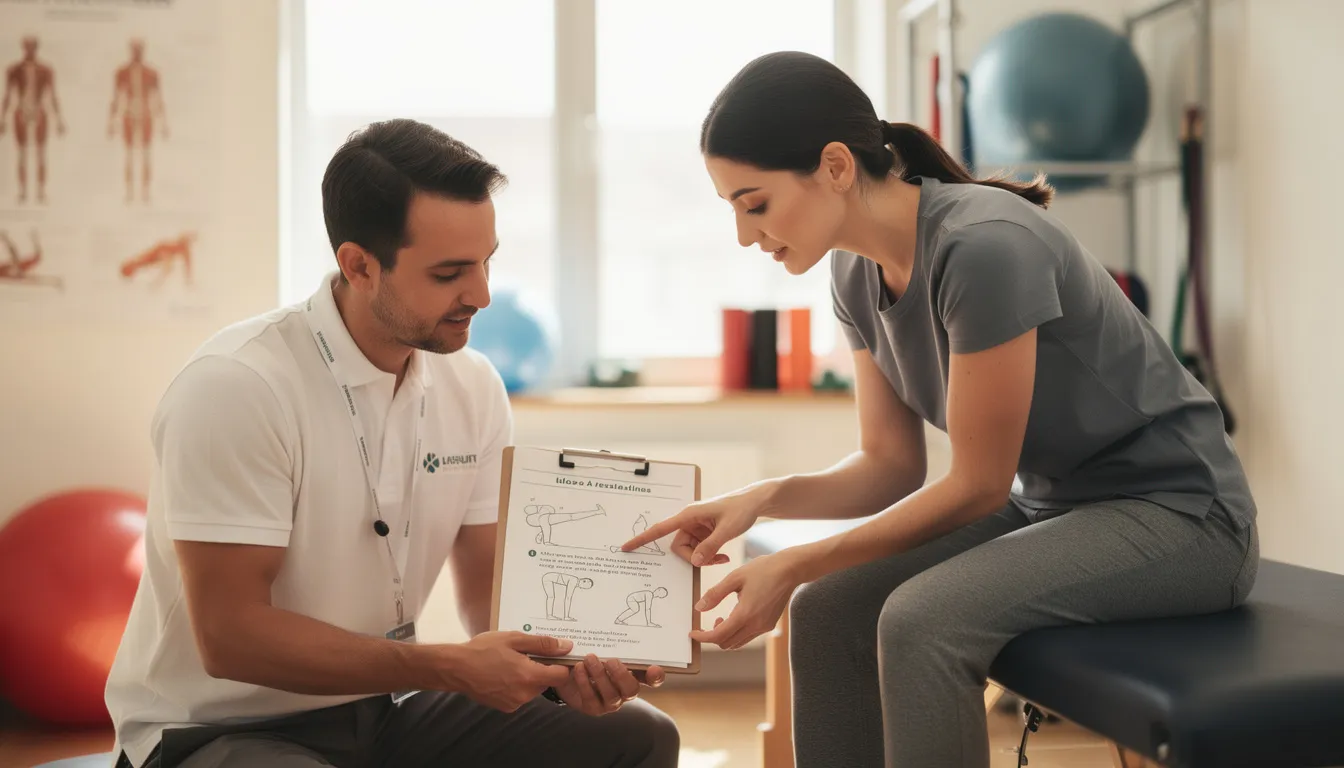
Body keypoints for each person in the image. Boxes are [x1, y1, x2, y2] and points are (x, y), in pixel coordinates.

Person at [624, 51, 1258, 768]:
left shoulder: (985, 247)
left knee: (923, 621)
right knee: (827, 610)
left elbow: (980, 485)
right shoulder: (851, 269)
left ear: (835, 166)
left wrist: (797, 560)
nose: (746, 235)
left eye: (755, 203)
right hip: (1056, 507)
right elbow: (888, 466)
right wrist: (761, 500)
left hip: (1183, 515)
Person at [105, 118, 679, 768]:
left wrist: (571, 660)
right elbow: (230, 636)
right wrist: (449, 668)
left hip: (383, 711)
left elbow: (487, 590)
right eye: (450, 273)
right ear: (359, 265)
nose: (483, 295)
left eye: (488, 262)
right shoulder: (238, 387)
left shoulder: (473, 386)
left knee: (639, 735)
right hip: (216, 730)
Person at [0, 35, 64, 204]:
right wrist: (2, 119)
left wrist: (59, 119)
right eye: (27, 46)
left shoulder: (46, 69)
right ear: (23, 47)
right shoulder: (14, 69)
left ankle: (41, 192)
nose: (29, 49)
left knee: (41, 153)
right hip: (21, 111)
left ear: (36, 47)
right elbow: (7, 95)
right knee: (22, 154)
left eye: (32, 46)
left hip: (39, 111)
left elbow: (52, 95)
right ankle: (22, 192)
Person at [108, 38, 167, 204]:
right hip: (129, 115)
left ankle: (145, 193)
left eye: (139, 49)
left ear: (143, 50)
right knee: (129, 155)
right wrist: (112, 122)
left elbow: (158, 99)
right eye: (134, 49)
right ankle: (129, 192)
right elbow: (116, 98)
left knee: (146, 155)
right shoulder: (122, 72)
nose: (136, 52)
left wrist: (163, 123)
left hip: (146, 114)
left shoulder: (151, 73)